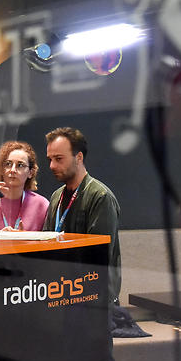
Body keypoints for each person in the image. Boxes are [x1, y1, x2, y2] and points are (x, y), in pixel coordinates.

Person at [42, 127, 122, 304]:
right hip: (62, 295)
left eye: (58, 159)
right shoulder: (56, 197)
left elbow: (97, 258)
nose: (52, 166)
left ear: (79, 157)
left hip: (94, 301)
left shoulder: (100, 197)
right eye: (50, 159)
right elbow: (47, 244)